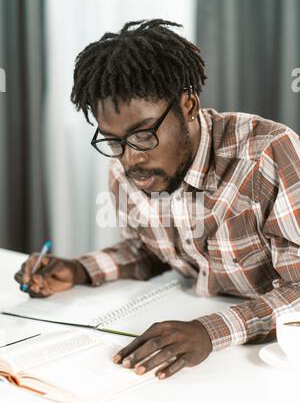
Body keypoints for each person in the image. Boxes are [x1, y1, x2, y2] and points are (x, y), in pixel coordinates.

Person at [15, 19, 300, 380]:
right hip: (204, 354)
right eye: (113, 141)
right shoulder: (127, 168)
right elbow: (150, 249)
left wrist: (208, 332)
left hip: (276, 360)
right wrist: (79, 270)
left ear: (189, 105)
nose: (130, 158)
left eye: (143, 134)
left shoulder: (267, 156)